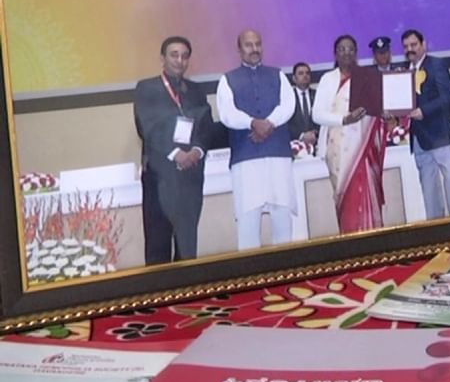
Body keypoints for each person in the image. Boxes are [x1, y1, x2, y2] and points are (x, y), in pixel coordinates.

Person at [133, 36, 213, 264]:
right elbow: (146, 125)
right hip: (160, 176)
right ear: (162, 58)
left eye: (184, 56)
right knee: (158, 242)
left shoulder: (196, 90)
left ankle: (187, 294)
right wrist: (176, 153)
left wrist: (196, 151)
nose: (180, 60)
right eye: (174, 55)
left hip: (190, 176)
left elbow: (205, 126)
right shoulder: (146, 87)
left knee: (187, 244)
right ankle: (160, 297)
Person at [216, 29, 297, 250]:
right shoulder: (227, 80)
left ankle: (287, 272)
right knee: (248, 220)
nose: (254, 49)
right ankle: (251, 278)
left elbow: (288, 105)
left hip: (277, 154)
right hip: (246, 158)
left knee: (282, 216)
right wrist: (252, 122)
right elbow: (227, 113)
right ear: (239, 49)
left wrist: (268, 122)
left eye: (257, 44)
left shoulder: (277, 74)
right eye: (248, 45)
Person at [311, 35, 386, 233]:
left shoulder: (367, 77)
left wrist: (384, 114)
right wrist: (344, 119)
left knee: (366, 195)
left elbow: (376, 111)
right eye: (342, 49)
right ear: (335, 53)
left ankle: (373, 245)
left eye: (351, 49)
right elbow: (317, 115)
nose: (347, 53)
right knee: (347, 200)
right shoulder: (328, 79)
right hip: (338, 152)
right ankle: (352, 248)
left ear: (356, 53)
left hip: (364, 150)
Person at [402, 28, 450, 219]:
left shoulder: (437, 64)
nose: (410, 49)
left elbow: (448, 97)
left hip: (439, 133)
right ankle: (435, 228)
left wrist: (424, 111)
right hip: (418, 136)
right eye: (406, 47)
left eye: (413, 45)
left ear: (424, 45)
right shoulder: (404, 71)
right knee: (428, 184)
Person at [287, 62, 319, 147]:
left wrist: (315, 133)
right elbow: (286, 122)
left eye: (307, 73)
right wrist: (302, 136)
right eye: (301, 73)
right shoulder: (288, 97)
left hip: (316, 144)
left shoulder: (318, 95)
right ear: (294, 78)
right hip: (295, 145)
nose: (305, 76)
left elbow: (323, 118)